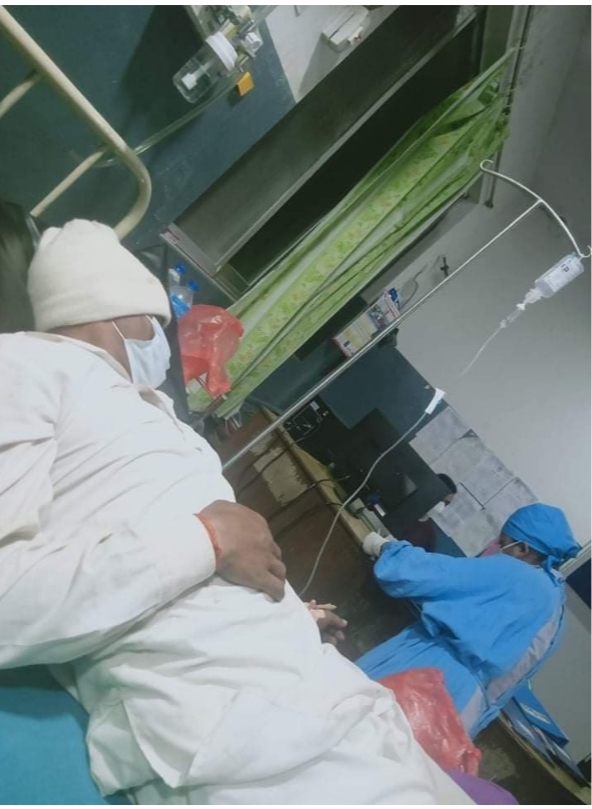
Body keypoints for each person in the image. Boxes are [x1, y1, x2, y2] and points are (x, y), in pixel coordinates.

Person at [0, 220, 471, 805]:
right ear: (121, 313)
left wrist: (291, 613)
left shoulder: (153, 411)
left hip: (323, 693)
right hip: (242, 731)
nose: (166, 344)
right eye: (160, 324)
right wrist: (205, 541)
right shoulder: (24, 368)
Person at [358, 504, 579, 737]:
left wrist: (386, 547)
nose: (499, 550)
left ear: (523, 548)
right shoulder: (555, 607)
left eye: (503, 544)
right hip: (465, 704)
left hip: (426, 677)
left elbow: (431, 574)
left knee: (356, 728)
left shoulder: (516, 573)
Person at [400, 473, 457, 552]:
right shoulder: (400, 507)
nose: (441, 505)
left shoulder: (429, 538)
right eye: (440, 499)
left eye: (446, 504)